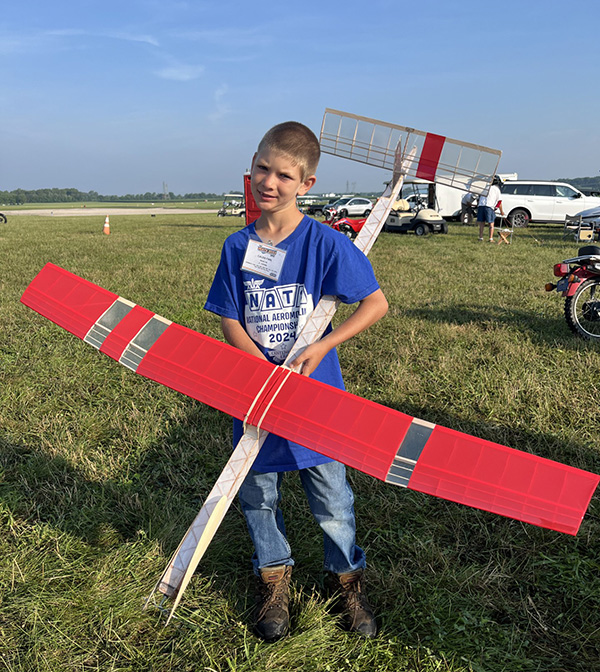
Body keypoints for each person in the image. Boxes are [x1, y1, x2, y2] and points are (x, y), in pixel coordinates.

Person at [204, 121, 388, 642]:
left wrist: (324, 344)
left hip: (316, 402)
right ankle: (274, 576)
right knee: (258, 493)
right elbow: (229, 316)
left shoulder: (325, 244)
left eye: (284, 175)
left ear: (305, 183)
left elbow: (375, 303)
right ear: (253, 164)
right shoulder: (236, 245)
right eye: (263, 168)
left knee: (332, 497)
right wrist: (258, 371)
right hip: (256, 396)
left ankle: (345, 580)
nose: (270, 182)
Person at [477, 176, 505, 241]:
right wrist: (500, 210)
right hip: (489, 206)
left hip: (481, 206)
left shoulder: (484, 188)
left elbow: (479, 198)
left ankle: (481, 237)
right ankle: (491, 238)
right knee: (491, 223)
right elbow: (499, 201)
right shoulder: (496, 189)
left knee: (482, 223)